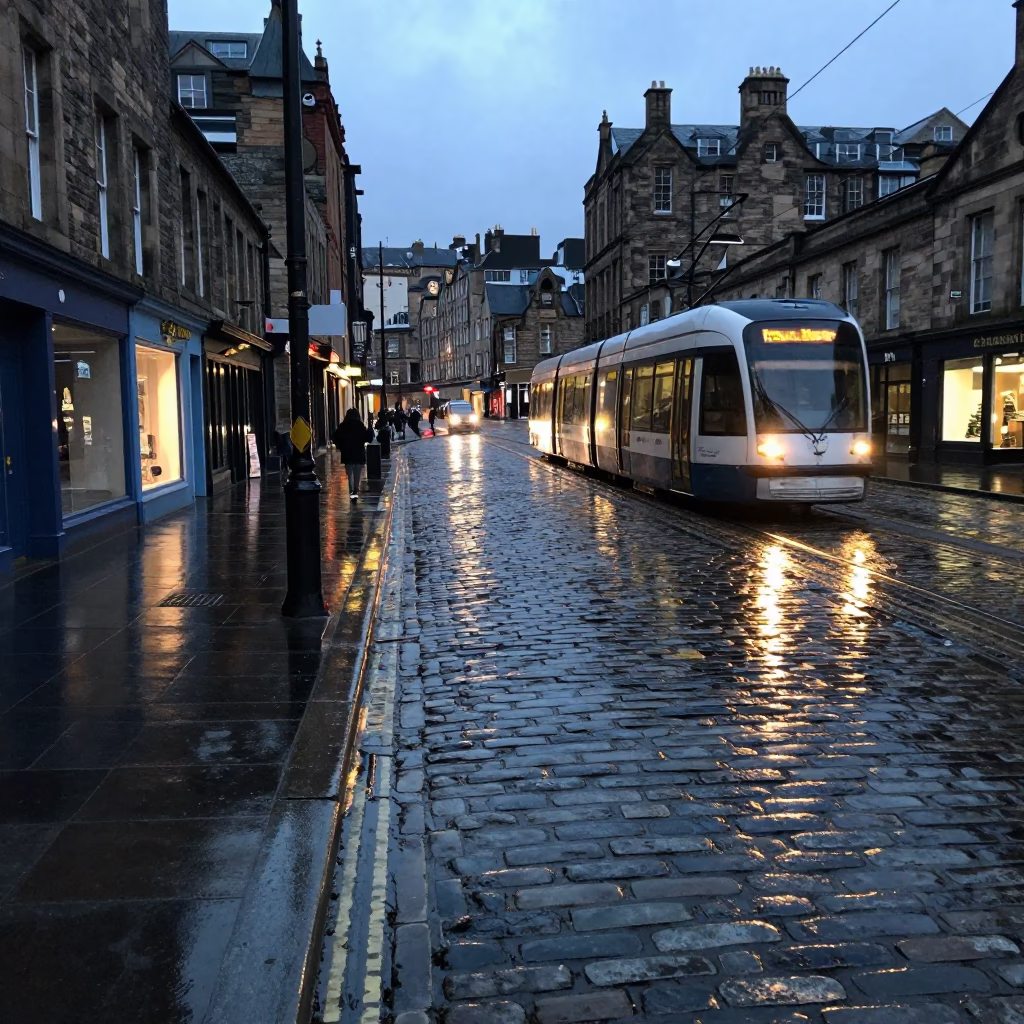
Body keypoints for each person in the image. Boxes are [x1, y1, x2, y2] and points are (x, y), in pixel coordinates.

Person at [332, 408, 375, 500]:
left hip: (347, 453)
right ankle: (355, 489)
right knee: (357, 472)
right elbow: (368, 438)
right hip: (358, 453)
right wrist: (370, 428)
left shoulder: (343, 426)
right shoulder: (360, 425)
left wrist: (340, 446)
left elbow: (335, 437)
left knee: (349, 471)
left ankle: (351, 491)